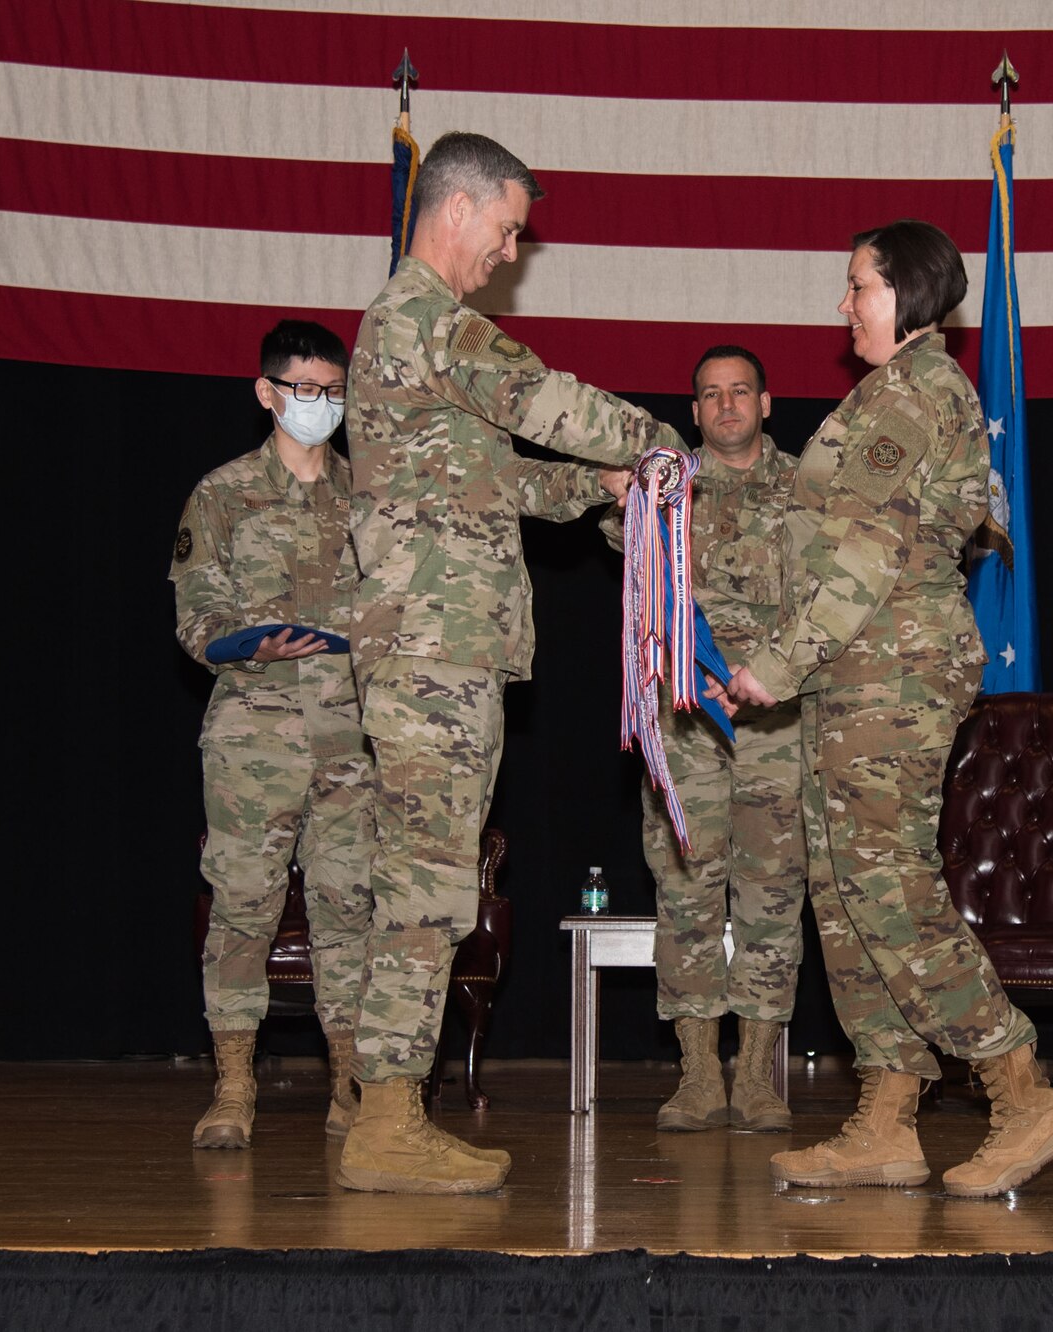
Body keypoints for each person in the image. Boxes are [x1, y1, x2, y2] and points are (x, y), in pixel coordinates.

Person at [715, 220, 1053, 1197]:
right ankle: (885, 1116)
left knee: (884, 886)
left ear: (908, 293)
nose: (841, 304)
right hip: (855, 666)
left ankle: (1019, 1090)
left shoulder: (912, 392)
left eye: (856, 286)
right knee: (844, 898)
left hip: (888, 663)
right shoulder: (885, 395)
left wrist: (777, 665)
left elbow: (869, 555)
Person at [339, 131, 683, 1194]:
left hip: (445, 649)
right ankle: (386, 1123)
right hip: (431, 652)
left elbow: (508, 481)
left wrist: (599, 490)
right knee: (425, 887)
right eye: (506, 226)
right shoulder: (427, 321)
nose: (510, 249)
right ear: (457, 207)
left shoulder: (419, 339)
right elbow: (544, 403)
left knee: (428, 880)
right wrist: (649, 443)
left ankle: (389, 1109)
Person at [170, 319, 374, 1150]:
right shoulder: (221, 496)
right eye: (304, 391)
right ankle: (233, 1086)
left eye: (333, 391)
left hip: (351, 739)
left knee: (348, 911)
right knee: (244, 911)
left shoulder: (370, 495)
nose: (320, 405)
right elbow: (196, 615)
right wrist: (245, 640)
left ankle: (351, 1086)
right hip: (254, 737)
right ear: (267, 393)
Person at [601, 347, 804, 1133]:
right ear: (693, 411)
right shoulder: (663, 492)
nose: (725, 406)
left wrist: (769, 670)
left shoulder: (809, 489)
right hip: (686, 720)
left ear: (766, 401)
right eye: (710, 395)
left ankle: (754, 1076)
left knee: (772, 894)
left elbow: (833, 595)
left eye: (740, 392)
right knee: (685, 890)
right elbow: (629, 572)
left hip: (775, 718)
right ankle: (696, 1075)